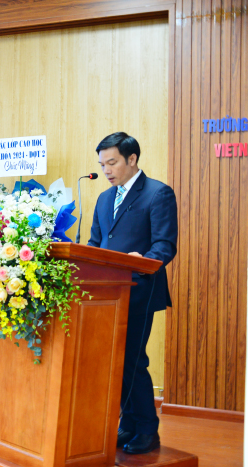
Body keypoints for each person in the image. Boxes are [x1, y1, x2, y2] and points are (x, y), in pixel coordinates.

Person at [88, 132, 178, 455]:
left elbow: (164, 245)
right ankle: (127, 423)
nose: (106, 170)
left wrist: (143, 260)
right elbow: (95, 244)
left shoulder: (157, 193)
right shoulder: (103, 199)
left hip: (140, 290)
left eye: (112, 163)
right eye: (102, 164)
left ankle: (147, 430)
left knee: (133, 361)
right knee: (116, 361)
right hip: (106, 295)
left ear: (132, 159)